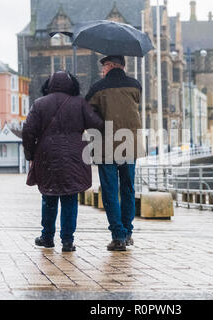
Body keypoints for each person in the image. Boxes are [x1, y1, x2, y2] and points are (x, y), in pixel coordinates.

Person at [22, 71, 104, 252]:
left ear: (49, 85)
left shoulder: (40, 104)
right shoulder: (80, 104)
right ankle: (67, 241)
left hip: (46, 156)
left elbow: (28, 131)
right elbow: (98, 125)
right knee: (70, 197)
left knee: (49, 196)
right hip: (74, 156)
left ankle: (47, 236)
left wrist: (31, 155)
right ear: (72, 85)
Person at [85, 55, 144, 251]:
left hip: (105, 145)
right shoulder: (135, 86)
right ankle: (127, 232)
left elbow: (87, 114)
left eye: (103, 68)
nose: (102, 71)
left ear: (110, 66)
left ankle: (117, 236)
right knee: (128, 189)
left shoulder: (96, 89)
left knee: (110, 191)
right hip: (130, 144)